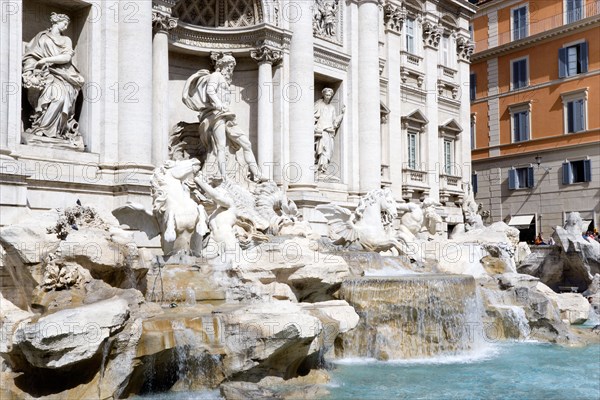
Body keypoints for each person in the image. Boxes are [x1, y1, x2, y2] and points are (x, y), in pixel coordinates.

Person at [182, 53, 265, 182]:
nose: (231, 69)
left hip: (227, 117)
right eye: (229, 66)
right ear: (223, 65)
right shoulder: (216, 76)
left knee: (246, 144)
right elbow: (210, 90)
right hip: (216, 115)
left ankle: (258, 175)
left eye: (232, 67)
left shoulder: (226, 81)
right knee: (220, 146)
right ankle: (223, 176)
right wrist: (218, 104)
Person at [22, 13, 84, 140]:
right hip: (44, 74)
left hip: (62, 73)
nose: (66, 27)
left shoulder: (66, 40)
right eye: (64, 23)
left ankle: (53, 130)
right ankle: (40, 126)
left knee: (61, 98)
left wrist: (45, 60)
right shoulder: (41, 36)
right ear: (56, 22)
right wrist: (30, 70)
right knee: (53, 97)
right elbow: (31, 54)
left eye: (68, 25)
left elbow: (67, 57)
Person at [314, 88, 345, 174]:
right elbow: (313, 116)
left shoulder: (332, 107)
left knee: (328, 151)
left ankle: (324, 169)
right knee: (322, 150)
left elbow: (334, 121)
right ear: (323, 95)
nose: (328, 97)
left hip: (330, 132)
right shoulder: (318, 105)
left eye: (330, 95)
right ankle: (320, 169)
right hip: (322, 132)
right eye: (327, 95)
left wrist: (342, 114)